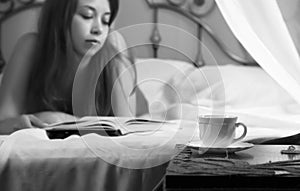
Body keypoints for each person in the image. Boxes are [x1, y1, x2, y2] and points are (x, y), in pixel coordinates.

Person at [0, 0, 148, 134]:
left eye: (105, 21)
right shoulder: (31, 47)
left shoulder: (112, 46)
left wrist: (64, 120)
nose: (99, 29)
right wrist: (19, 122)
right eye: (87, 15)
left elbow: (126, 129)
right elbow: (3, 121)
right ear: (60, 17)